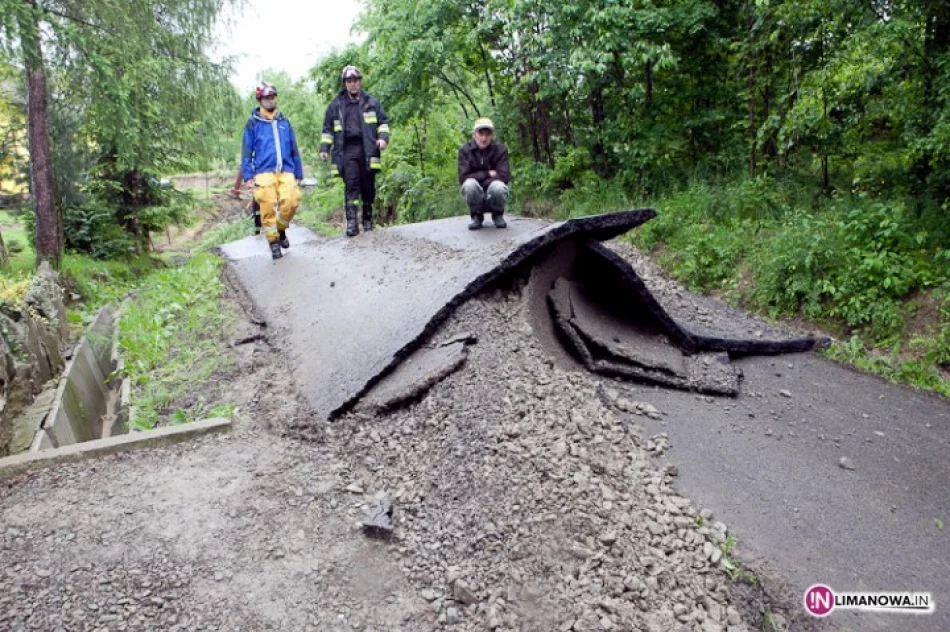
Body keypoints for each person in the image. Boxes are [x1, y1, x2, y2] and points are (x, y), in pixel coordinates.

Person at [319, 65, 390, 237]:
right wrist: (324, 148)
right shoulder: (335, 106)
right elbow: (327, 129)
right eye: (349, 81)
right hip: (347, 150)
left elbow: (383, 123)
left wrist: (382, 139)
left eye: (355, 80)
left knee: (368, 186)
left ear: (359, 82)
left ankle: (367, 219)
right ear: (344, 83)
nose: (353, 84)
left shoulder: (371, 102)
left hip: (368, 148)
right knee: (352, 184)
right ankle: (352, 223)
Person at [241, 82, 303, 259]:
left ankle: (281, 229)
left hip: (286, 169)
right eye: (267, 98)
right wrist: (248, 175)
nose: (270, 100)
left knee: (291, 200)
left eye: (272, 97)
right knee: (267, 204)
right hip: (263, 170)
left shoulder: (284, 121)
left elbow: (293, 147)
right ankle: (273, 241)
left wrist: (298, 172)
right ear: (260, 100)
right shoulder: (253, 123)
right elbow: (246, 149)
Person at [458, 118, 510, 230]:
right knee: (469, 185)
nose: (484, 138)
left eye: (487, 134)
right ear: (474, 134)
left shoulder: (500, 149)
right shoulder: (465, 150)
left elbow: (504, 177)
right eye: (480, 134)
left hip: (493, 190)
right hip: (475, 191)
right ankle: (476, 216)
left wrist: (478, 178)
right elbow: (463, 178)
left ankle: (497, 215)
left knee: (499, 186)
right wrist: (488, 174)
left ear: (492, 135)